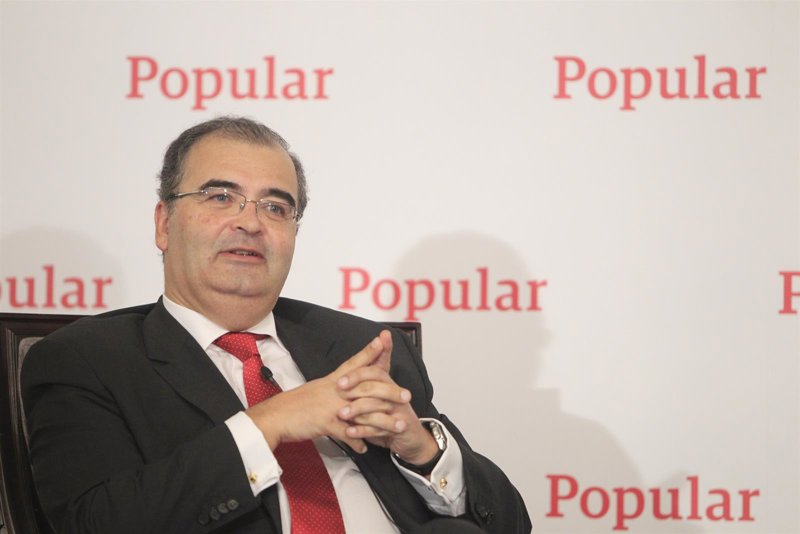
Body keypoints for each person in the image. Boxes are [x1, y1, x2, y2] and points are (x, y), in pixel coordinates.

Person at [22, 116, 531, 534]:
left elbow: (510, 525)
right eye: (220, 197)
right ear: (164, 223)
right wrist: (268, 423)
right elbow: (96, 522)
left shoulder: (359, 346)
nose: (250, 222)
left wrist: (422, 449)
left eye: (275, 206)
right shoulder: (88, 360)